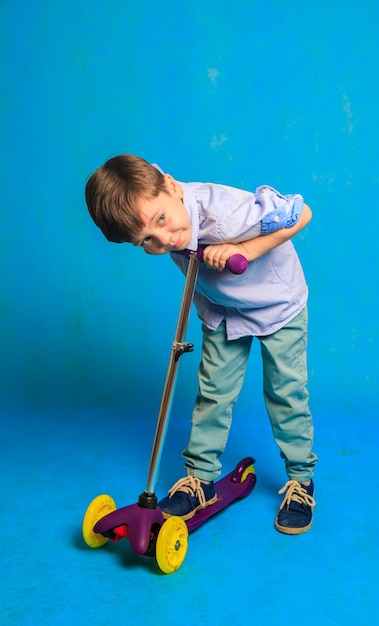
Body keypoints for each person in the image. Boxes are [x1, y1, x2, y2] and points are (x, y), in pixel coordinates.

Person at [85, 154, 318, 535]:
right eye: (146, 241)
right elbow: (164, 231)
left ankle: (301, 481)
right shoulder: (162, 216)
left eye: (161, 221)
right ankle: (199, 480)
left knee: (285, 393)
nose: (165, 240)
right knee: (213, 393)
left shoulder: (224, 214)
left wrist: (246, 250)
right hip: (225, 310)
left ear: (172, 187)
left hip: (278, 304)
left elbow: (301, 213)